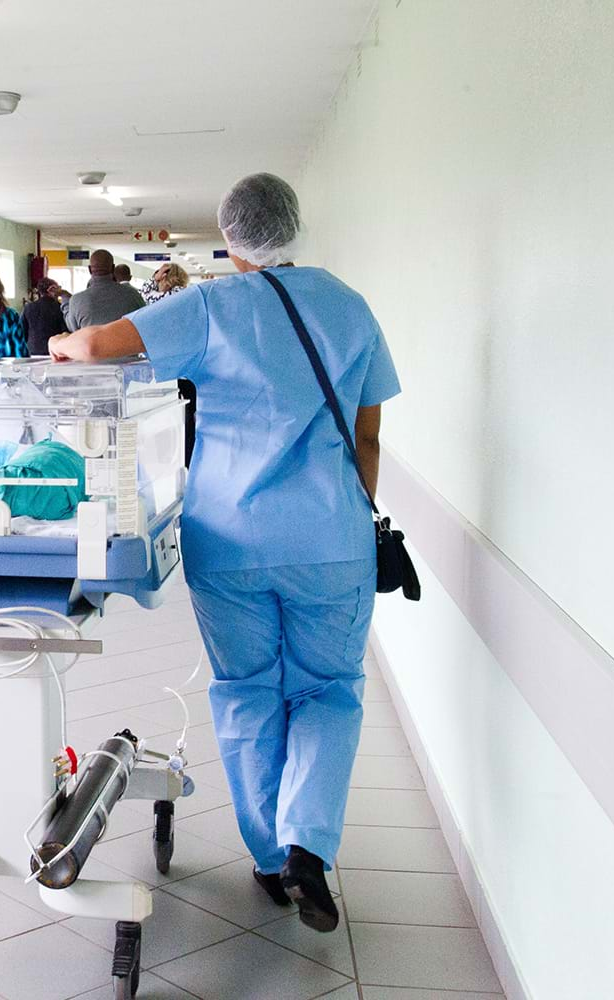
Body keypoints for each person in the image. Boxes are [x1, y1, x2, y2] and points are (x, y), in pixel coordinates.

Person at [49, 172, 400, 935]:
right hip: (331, 540)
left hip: (231, 538)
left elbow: (99, 346)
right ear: (294, 225)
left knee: (247, 690)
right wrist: (346, 511)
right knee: (327, 690)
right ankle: (309, 844)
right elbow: (367, 437)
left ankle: (272, 861)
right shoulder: (349, 305)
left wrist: (60, 335)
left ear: (231, 237)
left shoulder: (211, 305)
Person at [64, 249, 147, 330]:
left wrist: (65, 301)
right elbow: (143, 320)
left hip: (93, 344)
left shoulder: (77, 300)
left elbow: (72, 328)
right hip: (126, 343)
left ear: (89, 269)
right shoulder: (132, 295)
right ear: (113, 268)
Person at [22, 277, 71, 355]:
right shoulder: (59, 307)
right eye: (58, 288)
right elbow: (65, 332)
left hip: (33, 350)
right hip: (54, 350)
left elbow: (23, 331)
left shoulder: (28, 307)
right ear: (52, 289)